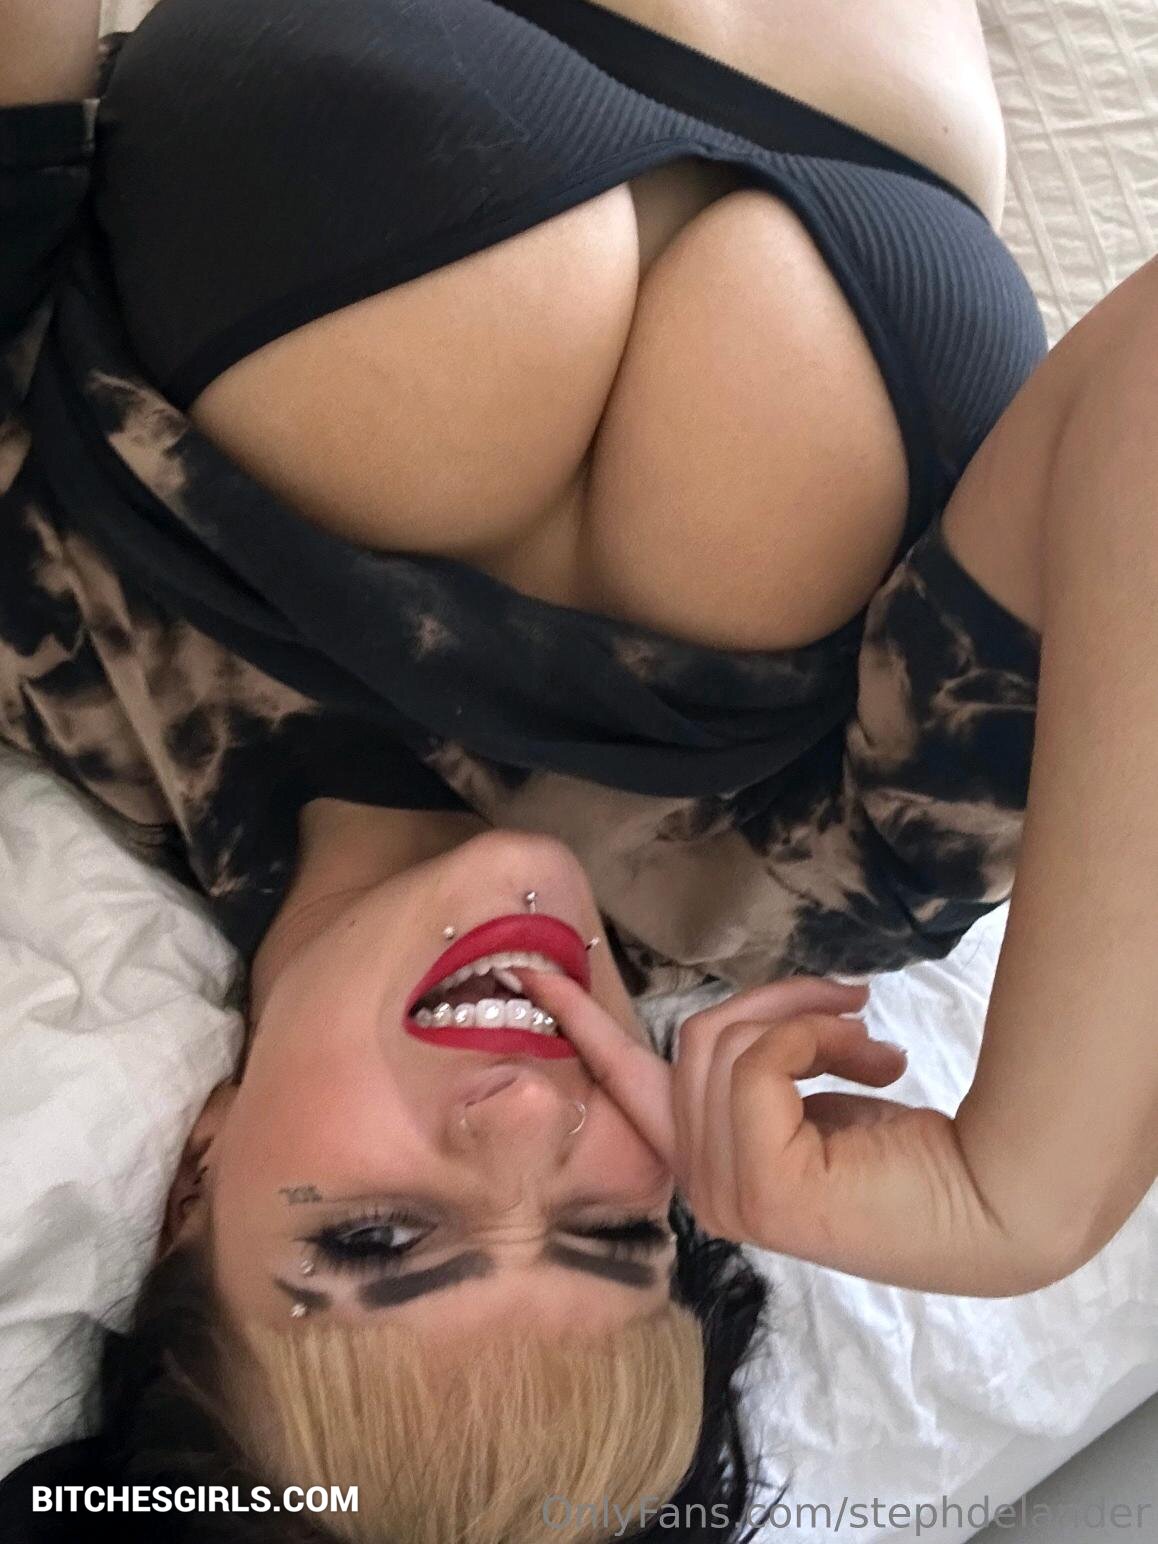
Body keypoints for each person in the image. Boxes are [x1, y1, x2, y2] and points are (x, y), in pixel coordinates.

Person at [2, 0, 1155, 1539]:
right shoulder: (845, 859)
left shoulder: (43, 633)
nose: (521, 1128)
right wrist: (1037, 1195)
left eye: (380, 1237)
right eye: (612, 1234)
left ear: (190, 1188)